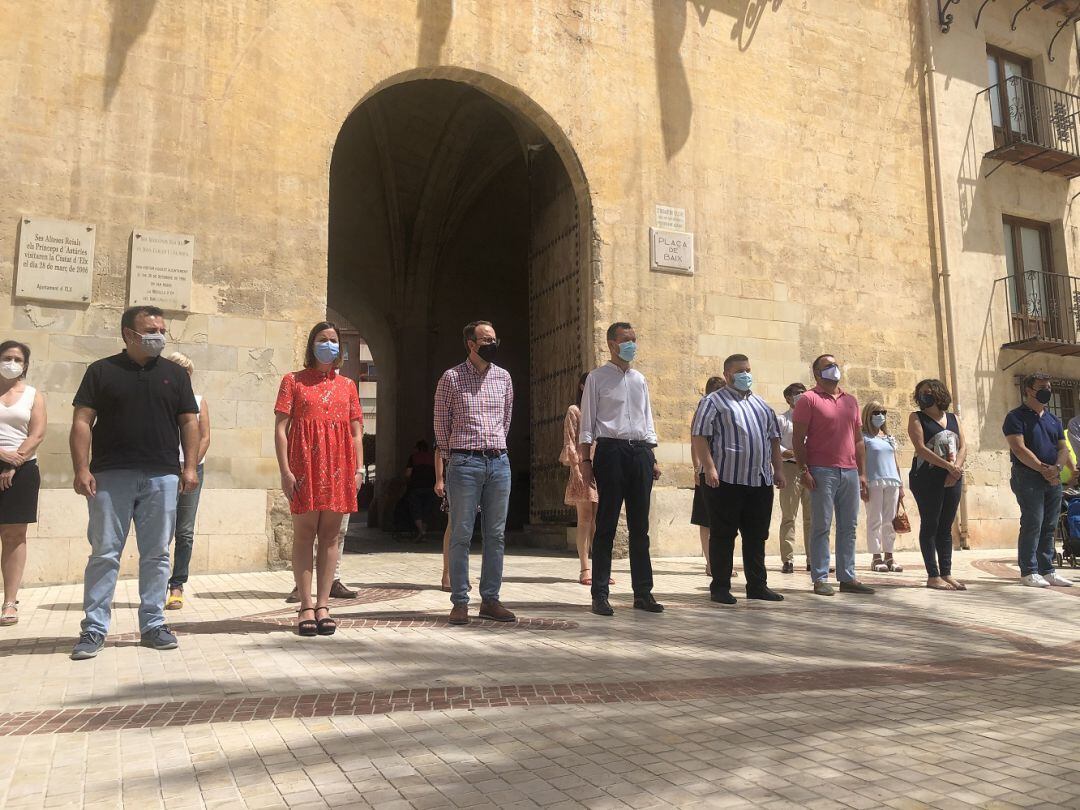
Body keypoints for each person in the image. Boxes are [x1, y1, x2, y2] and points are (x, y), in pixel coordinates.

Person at [69, 306, 200, 660]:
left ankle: (153, 624)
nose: (158, 334)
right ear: (129, 334)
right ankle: (94, 629)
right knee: (104, 553)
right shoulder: (101, 371)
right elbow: (82, 421)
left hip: (162, 475)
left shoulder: (176, 375)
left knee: (157, 553)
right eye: (150, 329)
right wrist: (81, 469)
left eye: (162, 329)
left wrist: (189, 468)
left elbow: (189, 422)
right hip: (111, 475)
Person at [274, 321, 364, 636]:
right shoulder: (292, 381)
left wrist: (359, 469)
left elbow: (356, 432)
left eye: (334, 340)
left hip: (339, 466)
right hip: (304, 467)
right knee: (304, 534)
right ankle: (305, 606)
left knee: (330, 537)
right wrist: (285, 471)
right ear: (312, 344)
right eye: (323, 339)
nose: (329, 345)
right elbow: (281, 430)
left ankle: (324, 605)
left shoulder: (348, 386)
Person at [579, 322, 664, 617]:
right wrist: (585, 462)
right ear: (612, 344)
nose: (632, 345)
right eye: (626, 340)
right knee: (607, 525)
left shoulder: (640, 379)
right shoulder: (597, 378)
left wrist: (652, 455)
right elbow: (587, 423)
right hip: (611, 451)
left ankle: (643, 593)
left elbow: (647, 417)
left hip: (639, 451)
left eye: (634, 339)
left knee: (641, 527)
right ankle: (600, 594)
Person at [433, 320, 516, 625]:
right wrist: (452, 457)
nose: (493, 344)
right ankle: (460, 602)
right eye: (486, 339)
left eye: (495, 338)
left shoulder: (504, 378)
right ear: (471, 343)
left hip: (498, 462)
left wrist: (494, 448)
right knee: (461, 534)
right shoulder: (451, 378)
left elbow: (505, 421)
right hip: (464, 463)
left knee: (495, 535)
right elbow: (441, 425)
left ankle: (491, 600)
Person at [690, 354, 785, 605]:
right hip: (726, 481)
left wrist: (778, 470)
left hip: (759, 481)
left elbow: (774, 439)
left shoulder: (762, 405)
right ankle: (720, 586)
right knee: (723, 534)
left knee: (756, 535)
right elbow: (699, 436)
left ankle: (757, 585)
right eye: (740, 371)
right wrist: (708, 468)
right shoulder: (713, 402)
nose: (746, 375)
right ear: (728, 375)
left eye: (749, 370)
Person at [793, 354, 875, 596]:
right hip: (821, 470)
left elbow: (858, 440)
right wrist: (803, 469)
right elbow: (798, 439)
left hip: (849, 471)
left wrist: (863, 474)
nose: (834, 368)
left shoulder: (851, 400)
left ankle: (847, 577)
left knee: (849, 526)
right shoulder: (808, 399)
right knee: (821, 525)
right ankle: (820, 577)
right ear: (817, 373)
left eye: (835, 364)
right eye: (828, 366)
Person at [1003, 373, 1074, 588]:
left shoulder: (1053, 419)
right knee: (1033, 521)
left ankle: (1047, 570)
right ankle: (1029, 571)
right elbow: (1019, 448)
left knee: (1050, 524)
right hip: (1027, 477)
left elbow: (1062, 448)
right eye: (1042, 387)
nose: (1047, 391)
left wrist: (1058, 468)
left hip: (1052, 477)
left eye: (1049, 387)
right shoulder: (1015, 417)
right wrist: (1043, 469)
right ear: (1028, 390)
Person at [0, 341, 45, 627]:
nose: (12, 363)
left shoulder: (32, 395)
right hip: (6, 459)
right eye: (7, 357)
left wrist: (13, 462)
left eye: (18, 359)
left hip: (22, 469)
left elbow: (37, 432)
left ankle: (9, 602)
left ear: (25, 365)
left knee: (14, 536)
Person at [908, 380, 967, 590]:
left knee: (946, 526)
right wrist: (949, 467)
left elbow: (963, 446)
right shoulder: (917, 417)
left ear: (939, 394)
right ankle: (933, 575)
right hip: (926, 477)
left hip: (953, 477)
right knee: (930, 524)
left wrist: (956, 468)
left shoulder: (953, 418)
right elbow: (921, 448)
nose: (924, 396)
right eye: (921, 393)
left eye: (928, 392)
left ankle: (946, 572)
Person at [164, 353, 211, 610]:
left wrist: (190, 465)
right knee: (160, 531)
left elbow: (204, 437)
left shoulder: (198, 401)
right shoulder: (159, 400)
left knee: (184, 531)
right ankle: (155, 582)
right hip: (164, 470)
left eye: (186, 371)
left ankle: (177, 584)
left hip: (192, 470)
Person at [561, 372, 600, 585]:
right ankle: (585, 568)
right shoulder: (574, 411)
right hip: (582, 469)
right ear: (583, 386)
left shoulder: (600, 411)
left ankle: (599, 567)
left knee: (596, 519)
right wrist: (576, 469)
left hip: (600, 468)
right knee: (584, 518)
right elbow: (569, 440)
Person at [861, 399, 903, 574]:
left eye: (883, 412)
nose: (880, 416)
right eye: (876, 412)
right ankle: (876, 557)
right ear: (868, 415)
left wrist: (901, 486)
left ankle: (889, 556)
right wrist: (862, 481)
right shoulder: (863, 437)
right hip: (873, 481)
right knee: (874, 519)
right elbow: (860, 460)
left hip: (892, 480)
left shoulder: (889, 438)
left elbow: (895, 462)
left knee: (889, 520)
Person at [776, 382, 812, 574]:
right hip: (790, 468)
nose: (801, 395)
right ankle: (788, 559)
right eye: (797, 393)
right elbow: (773, 443)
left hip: (810, 468)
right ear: (788, 398)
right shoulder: (782, 420)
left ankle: (812, 558)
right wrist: (787, 452)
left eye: (803, 392)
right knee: (789, 515)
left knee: (811, 517)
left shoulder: (812, 419)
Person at [690, 376, 724, 578]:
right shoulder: (701, 411)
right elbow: (694, 442)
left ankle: (721, 560)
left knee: (723, 519)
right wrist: (696, 468)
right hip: (705, 471)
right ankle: (710, 563)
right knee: (706, 520)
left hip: (726, 472)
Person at [404, 439, 438, 540]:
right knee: (427, 510)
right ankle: (423, 532)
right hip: (430, 487)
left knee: (416, 509)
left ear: (417, 448)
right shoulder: (432, 458)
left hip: (416, 487)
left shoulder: (413, 457)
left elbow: (408, 473)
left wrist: (406, 482)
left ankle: (421, 531)